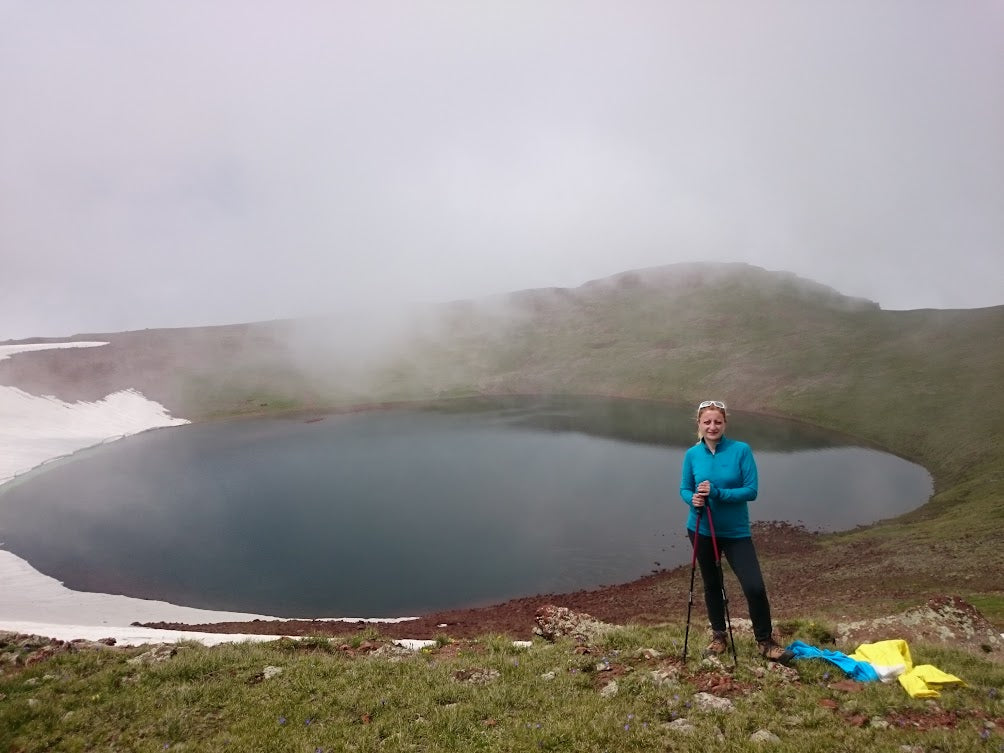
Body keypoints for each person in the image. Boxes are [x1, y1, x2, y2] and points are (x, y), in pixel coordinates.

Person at [679, 399, 794, 664]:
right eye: (707, 421)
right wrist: (692, 499)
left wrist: (718, 493)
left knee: (754, 586)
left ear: (725, 423)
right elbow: (684, 488)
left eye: (717, 421)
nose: (712, 426)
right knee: (712, 584)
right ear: (699, 424)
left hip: (735, 532)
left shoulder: (741, 450)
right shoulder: (692, 454)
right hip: (701, 529)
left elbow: (751, 491)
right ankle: (719, 637)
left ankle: (765, 641)